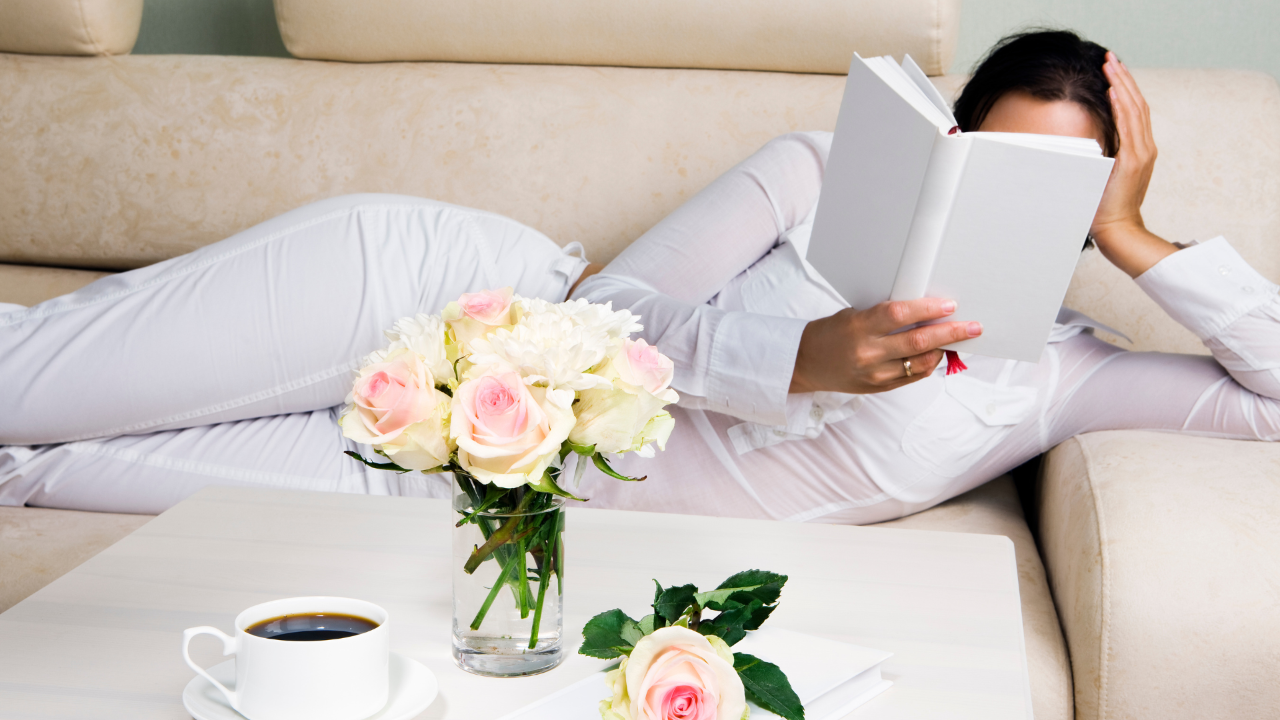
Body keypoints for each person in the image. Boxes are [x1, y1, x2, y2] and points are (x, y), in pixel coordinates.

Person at [2, 31, 1277, 520]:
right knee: (21, 390)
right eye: (989, 157)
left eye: (1060, 189)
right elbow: (604, 318)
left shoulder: (1054, 379)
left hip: (487, 481)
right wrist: (797, 360)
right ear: (944, 145)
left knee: (39, 475)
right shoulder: (817, 170)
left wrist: (1138, 241)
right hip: (435, 297)